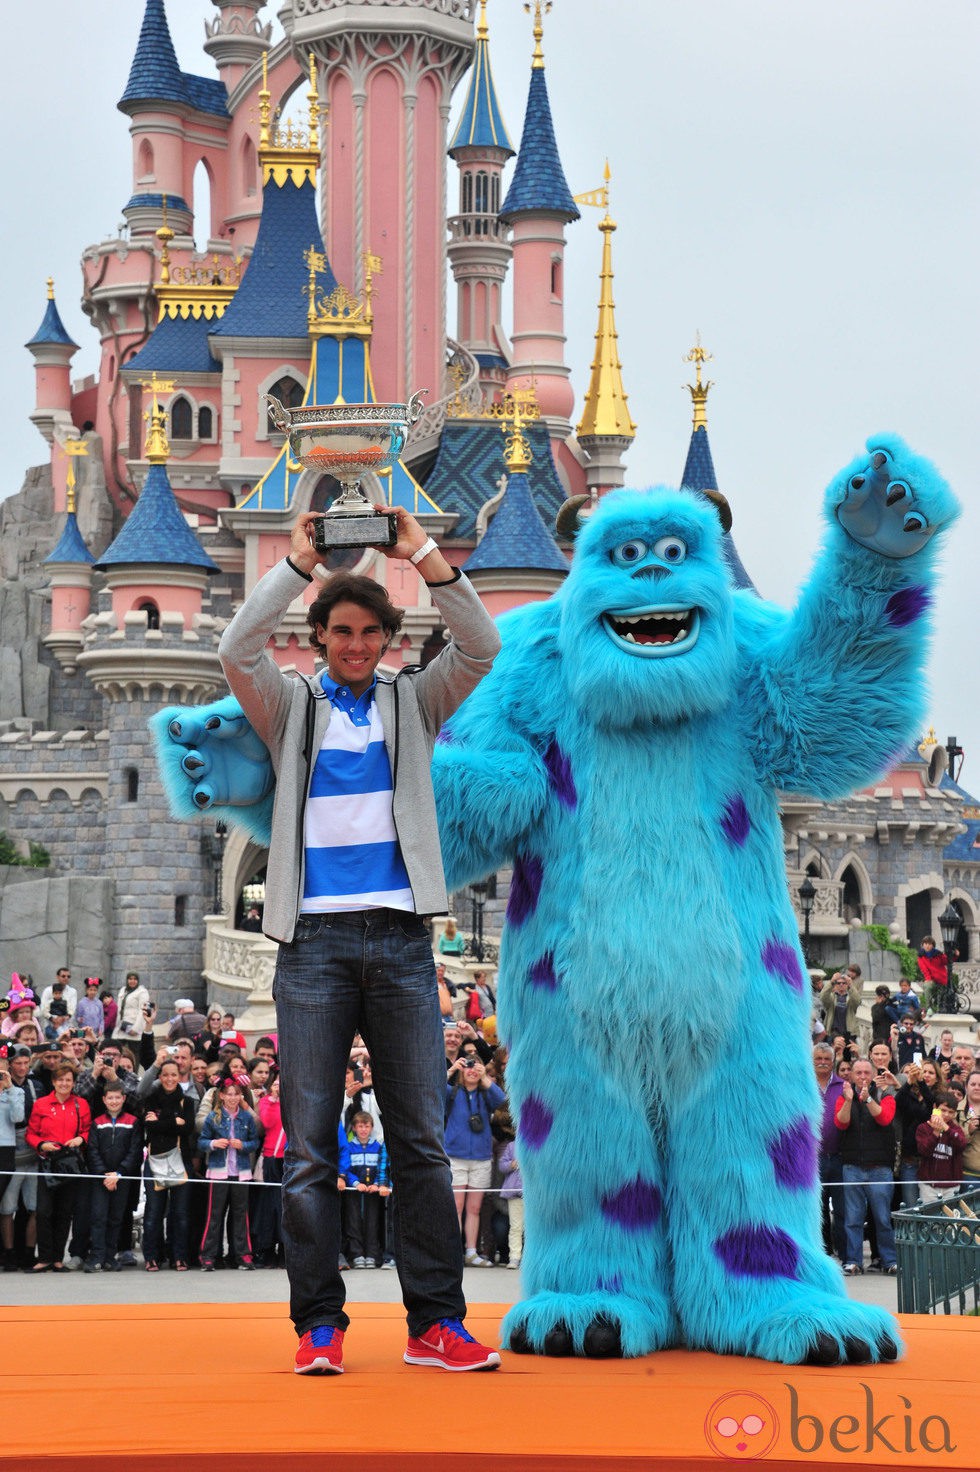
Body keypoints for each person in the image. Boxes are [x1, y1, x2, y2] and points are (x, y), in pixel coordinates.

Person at [218, 505, 501, 1376]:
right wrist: (298, 563)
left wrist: (421, 552)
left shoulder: (413, 700)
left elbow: (482, 647)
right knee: (309, 1145)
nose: (355, 643)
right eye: (341, 630)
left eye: (371, 631)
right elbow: (236, 650)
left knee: (418, 1140)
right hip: (314, 947)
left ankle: (434, 1324)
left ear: (387, 638)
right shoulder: (289, 705)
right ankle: (319, 1326)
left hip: (403, 943)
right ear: (319, 635)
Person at [834, 1058, 898, 1275]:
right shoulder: (844, 1096)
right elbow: (840, 1122)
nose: (862, 1076)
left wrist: (868, 1098)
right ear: (851, 1075)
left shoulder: (885, 1094)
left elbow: (885, 1119)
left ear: (872, 1075)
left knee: (882, 1218)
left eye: (866, 1072)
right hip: (852, 1167)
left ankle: (890, 1261)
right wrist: (849, 1101)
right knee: (852, 1219)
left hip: (879, 1167)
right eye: (858, 1072)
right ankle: (853, 1261)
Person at [25, 1062, 91, 1273]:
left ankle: (57, 1258)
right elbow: (31, 1133)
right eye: (60, 1079)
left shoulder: (81, 1104)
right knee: (44, 1211)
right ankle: (44, 1256)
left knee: (64, 1212)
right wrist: (41, 1144)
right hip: (48, 1163)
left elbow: (89, 1130)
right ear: (53, 1082)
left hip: (70, 1164)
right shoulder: (42, 1104)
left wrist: (81, 1139)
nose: (64, 1083)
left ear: (73, 1083)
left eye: (68, 1080)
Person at [444, 1053, 506, 1268]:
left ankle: (471, 1251)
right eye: (467, 1066)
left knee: (475, 1208)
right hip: (455, 1156)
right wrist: (452, 1070)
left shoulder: (485, 1094)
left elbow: (501, 1099)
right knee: (456, 1206)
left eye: (475, 1066)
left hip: (480, 1157)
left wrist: (484, 1076)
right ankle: (453, 1253)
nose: (471, 1070)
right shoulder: (452, 1093)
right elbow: (433, 1088)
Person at [198, 1078, 260, 1271]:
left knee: (241, 1215)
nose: (233, 1098)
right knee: (214, 1215)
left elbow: (255, 1142)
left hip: (241, 1172)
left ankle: (243, 1255)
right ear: (222, 1096)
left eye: (236, 1094)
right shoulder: (212, 1117)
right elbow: (202, 1141)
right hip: (218, 1172)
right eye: (229, 1094)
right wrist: (213, 1144)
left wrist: (244, 1146)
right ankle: (208, 1255)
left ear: (241, 1096)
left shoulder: (247, 1117)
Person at [141, 1059, 196, 1271]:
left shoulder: (187, 1101)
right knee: (154, 1212)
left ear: (180, 1076)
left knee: (180, 1213)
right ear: (159, 1077)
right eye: (166, 1075)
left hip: (180, 1160)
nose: (170, 1079)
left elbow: (188, 1129)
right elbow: (150, 1127)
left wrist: (161, 1121)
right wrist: (174, 1122)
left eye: (174, 1075)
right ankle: (152, 1255)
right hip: (155, 1161)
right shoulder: (151, 1099)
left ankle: (178, 1256)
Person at [84, 1084, 142, 1272]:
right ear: (104, 1100)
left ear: (124, 1099)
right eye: (110, 1098)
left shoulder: (133, 1121)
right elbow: (92, 1150)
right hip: (101, 1179)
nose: (114, 1101)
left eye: (118, 1098)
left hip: (121, 1179)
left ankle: (110, 1256)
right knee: (98, 1217)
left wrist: (119, 1173)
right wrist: (104, 1174)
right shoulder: (97, 1122)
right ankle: (97, 1257)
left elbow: (135, 1152)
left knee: (116, 1218)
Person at [341, 1110, 390, 1268]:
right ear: (354, 1128)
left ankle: (372, 1255)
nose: (363, 1130)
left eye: (366, 1126)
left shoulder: (378, 1146)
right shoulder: (349, 1147)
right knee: (353, 1222)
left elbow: (380, 1167)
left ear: (371, 1128)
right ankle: (356, 1255)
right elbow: (346, 1169)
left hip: (372, 1192)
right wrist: (356, 1183)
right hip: (354, 1191)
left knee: (372, 1223)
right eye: (360, 1126)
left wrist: (376, 1183)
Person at [812, 1042, 846, 1260]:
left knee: (842, 1209)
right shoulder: (804, 1084)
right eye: (818, 1059)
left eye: (826, 1059)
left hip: (840, 1157)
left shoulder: (843, 1086)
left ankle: (845, 1254)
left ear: (833, 1061)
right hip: (813, 1158)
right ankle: (823, 1253)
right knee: (818, 1209)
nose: (823, 1063)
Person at [894, 1059, 938, 1208]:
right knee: (911, 1206)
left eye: (930, 1072)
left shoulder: (938, 1097)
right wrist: (909, 1082)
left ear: (937, 1077)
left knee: (931, 1208)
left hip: (931, 1162)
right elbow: (897, 1101)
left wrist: (921, 1083)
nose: (925, 1075)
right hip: (910, 1160)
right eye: (923, 1071)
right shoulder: (908, 1095)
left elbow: (930, 1108)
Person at [915, 1094, 967, 1202]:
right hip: (929, 1185)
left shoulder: (956, 1130)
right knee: (930, 1218)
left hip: (951, 1186)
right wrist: (936, 1133)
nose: (946, 1115)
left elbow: (962, 1145)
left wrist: (947, 1129)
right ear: (935, 1108)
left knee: (949, 1218)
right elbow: (923, 1151)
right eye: (943, 1110)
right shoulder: (923, 1128)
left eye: (951, 1112)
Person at [115, 972, 156, 1069]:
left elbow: (142, 1011)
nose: (132, 981)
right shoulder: (123, 990)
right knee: (118, 1051)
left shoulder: (142, 992)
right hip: (122, 1026)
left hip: (134, 1027)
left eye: (134, 979)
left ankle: (134, 1075)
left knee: (134, 1054)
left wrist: (136, 1029)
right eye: (130, 979)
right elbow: (119, 1008)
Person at [820, 971, 862, 1042]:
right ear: (835, 985)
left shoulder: (851, 999)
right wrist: (831, 982)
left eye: (844, 983)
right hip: (833, 1032)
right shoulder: (831, 998)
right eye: (838, 983)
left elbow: (857, 1000)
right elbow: (823, 996)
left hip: (849, 1033)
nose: (841, 985)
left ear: (847, 985)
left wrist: (851, 985)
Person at [956, 1072, 980, 1183]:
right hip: (968, 1174)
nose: (977, 1088)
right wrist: (969, 1132)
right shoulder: (956, 1110)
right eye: (973, 1084)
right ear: (966, 1086)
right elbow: (953, 1141)